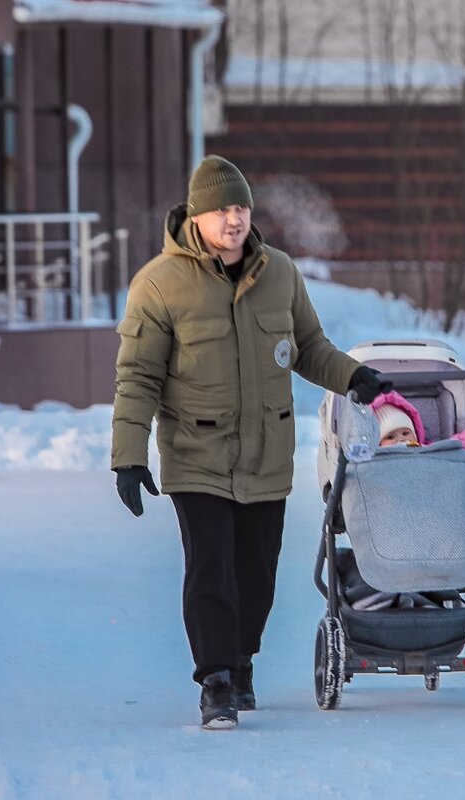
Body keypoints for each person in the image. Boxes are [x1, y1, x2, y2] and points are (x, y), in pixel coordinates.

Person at [110, 155, 392, 730]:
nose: (233, 219)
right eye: (221, 209)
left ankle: (241, 660)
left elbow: (310, 346)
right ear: (197, 214)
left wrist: (354, 377)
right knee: (211, 569)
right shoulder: (160, 284)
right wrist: (129, 456)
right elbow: (137, 376)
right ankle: (215, 680)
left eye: (240, 207)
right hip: (197, 455)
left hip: (267, 453)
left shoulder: (280, 273)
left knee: (257, 574)